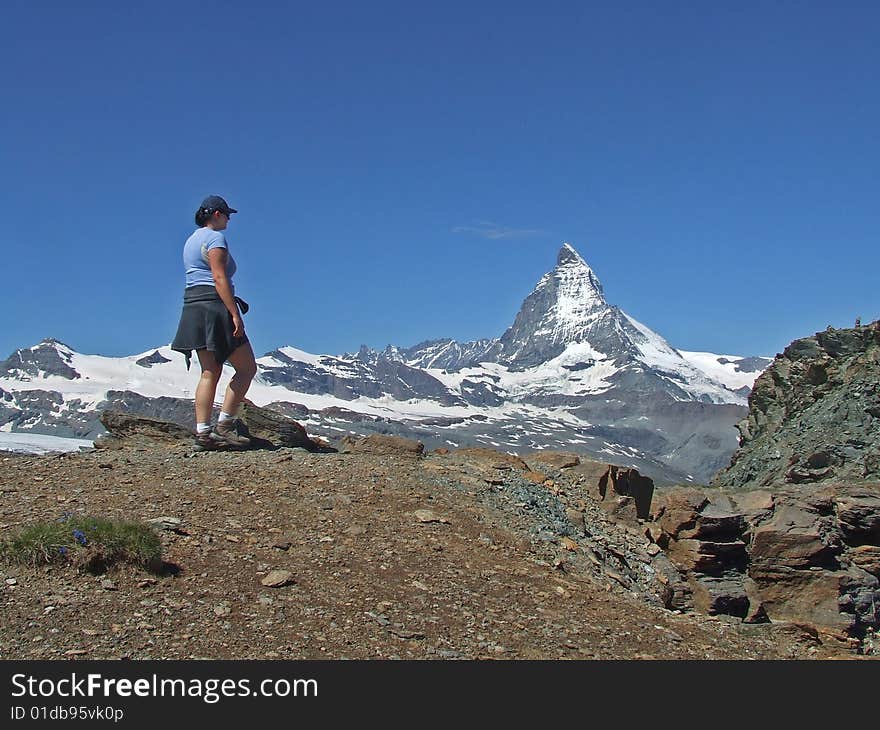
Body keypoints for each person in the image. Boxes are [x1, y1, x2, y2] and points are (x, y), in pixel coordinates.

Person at [171, 195, 257, 451]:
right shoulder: (215, 238)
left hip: (192, 305)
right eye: (227, 214)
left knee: (209, 371)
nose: (230, 219)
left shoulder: (190, 241)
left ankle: (203, 431)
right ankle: (225, 425)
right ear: (217, 215)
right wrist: (234, 314)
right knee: (246, 368)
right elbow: (219, 277)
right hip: (214, 305)